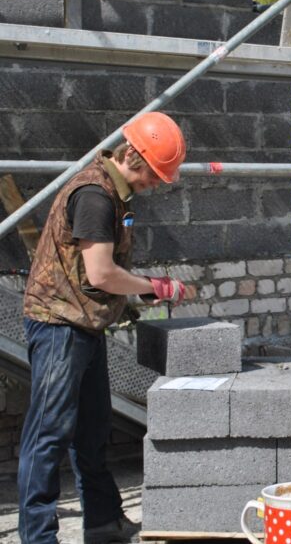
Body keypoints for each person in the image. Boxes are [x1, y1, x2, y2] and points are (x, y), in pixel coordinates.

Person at [18, 112, 196, 544]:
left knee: (93, 430)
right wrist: (155, 286)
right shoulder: (96, 195)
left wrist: (144, 290)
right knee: (48, 436)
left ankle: (102, 523)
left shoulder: (115, 192)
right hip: (59, 325)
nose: (156, 183)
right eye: (154, 174)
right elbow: (100, 273)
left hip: (84, 324)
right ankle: (38, 538)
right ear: (133, 155)